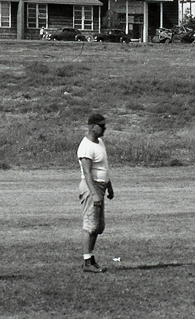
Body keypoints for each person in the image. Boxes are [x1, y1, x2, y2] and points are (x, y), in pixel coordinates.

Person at [78, 113, 114, 273]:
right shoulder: (86, 147)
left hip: (101, 186)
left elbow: (103, 167)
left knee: (99, 227)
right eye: (102, 126)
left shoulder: (100, 142)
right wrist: (94, 194)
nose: (105, 128)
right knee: (91, 225)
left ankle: (90, 259)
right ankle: (88, 261)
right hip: (91, 187)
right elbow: (87, 173)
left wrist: (109, 186)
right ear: (93, 127)